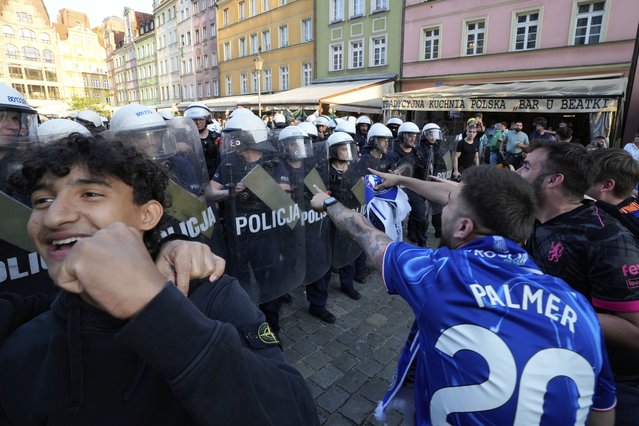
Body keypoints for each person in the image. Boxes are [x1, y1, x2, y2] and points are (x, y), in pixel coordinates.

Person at [0, 133, 319, 425]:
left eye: (90, 194)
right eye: (42, 200)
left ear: (147, 215)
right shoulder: (23, 328)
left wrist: (154, 307)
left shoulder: (210, 297)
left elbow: (294, 414)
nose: (54, 217)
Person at [310, 165, 615, 425]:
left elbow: (364, 232)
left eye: (450, 204)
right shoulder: (578, 305)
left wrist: (327, 203)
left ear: (463, 227)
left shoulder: (439, 274)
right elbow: (603, 408)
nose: (444, 208)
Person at [517, 141, 639, 425]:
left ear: (553, 180)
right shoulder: (539, 214)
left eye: (526, 166)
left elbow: (635, 332)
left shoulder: (606, 238)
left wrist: (547, 307)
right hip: (557, 366)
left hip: (613, 384)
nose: (517, 172)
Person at [388, 121, 429, 246]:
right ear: (402, 136)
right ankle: (396, 245)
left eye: (415, 135)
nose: (413, 138)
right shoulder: (392, 153)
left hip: (413, 189)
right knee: (397, 221)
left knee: (422, 216)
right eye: (410, 135)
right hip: (398, 191)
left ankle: (423, 243)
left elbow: (423, 171)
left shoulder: (418, 153)